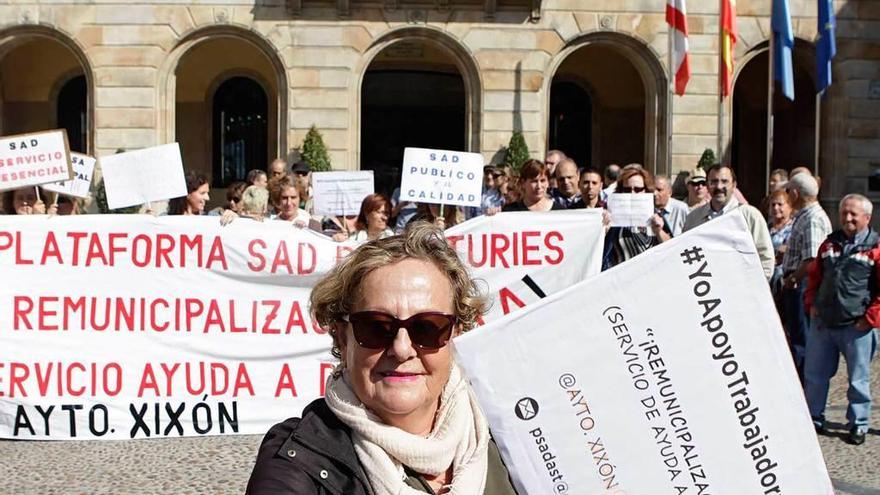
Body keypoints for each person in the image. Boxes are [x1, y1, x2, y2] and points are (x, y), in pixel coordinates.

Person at [247, 223, 517, 494]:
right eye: (376, 327)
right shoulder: (298, 455)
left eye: (427, 327)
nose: (401, 349)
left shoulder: (512, 431)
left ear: (456, 334)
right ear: (342, 337)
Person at [804, 194, 879, 446]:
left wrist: (870, 319)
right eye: (844, 212)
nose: (847, 218)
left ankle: (858, 423)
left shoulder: (875, 247)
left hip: (856, 325)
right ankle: (814, 416)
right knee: (815, 374)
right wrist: (811, 303)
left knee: (858, 378)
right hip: (824, 323)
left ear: (867, 218)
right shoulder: (829, 244)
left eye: (853, 214)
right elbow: (815, 276)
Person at [780, 174, 832, 380]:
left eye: (788, 191)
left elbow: (811, 259)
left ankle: (804, 387)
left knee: (803, 341)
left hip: (802, 287)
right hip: (797, 286)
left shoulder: (812, 219)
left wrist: (793, 278)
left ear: (795, 193)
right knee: (797, 338)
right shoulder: (804, 216)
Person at [683, 164, 774, 280]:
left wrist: (758, 287)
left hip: (741, 287)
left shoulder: (750, 215)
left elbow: (765, 256)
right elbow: (686, 253)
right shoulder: (693, 218)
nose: (719, 186)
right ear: (707, 185)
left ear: (734, 185)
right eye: (714, 181)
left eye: (724, 181)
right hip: (706, 290)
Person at [603, 167, 663, 269]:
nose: (632, 193)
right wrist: (604, 232)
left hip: (650, 276)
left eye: (638, 189)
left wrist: (659, 231)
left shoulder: (656, 216)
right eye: (627, 189)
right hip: (621, 278)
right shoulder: (612, 216)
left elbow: (672, 248)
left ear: (646, 190)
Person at [767, 189, 795, 330]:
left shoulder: (794, 228)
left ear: (790, 207)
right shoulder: (767, 228)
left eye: (780, 204)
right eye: (773, 205)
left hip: (783, 276)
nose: (776, 208)